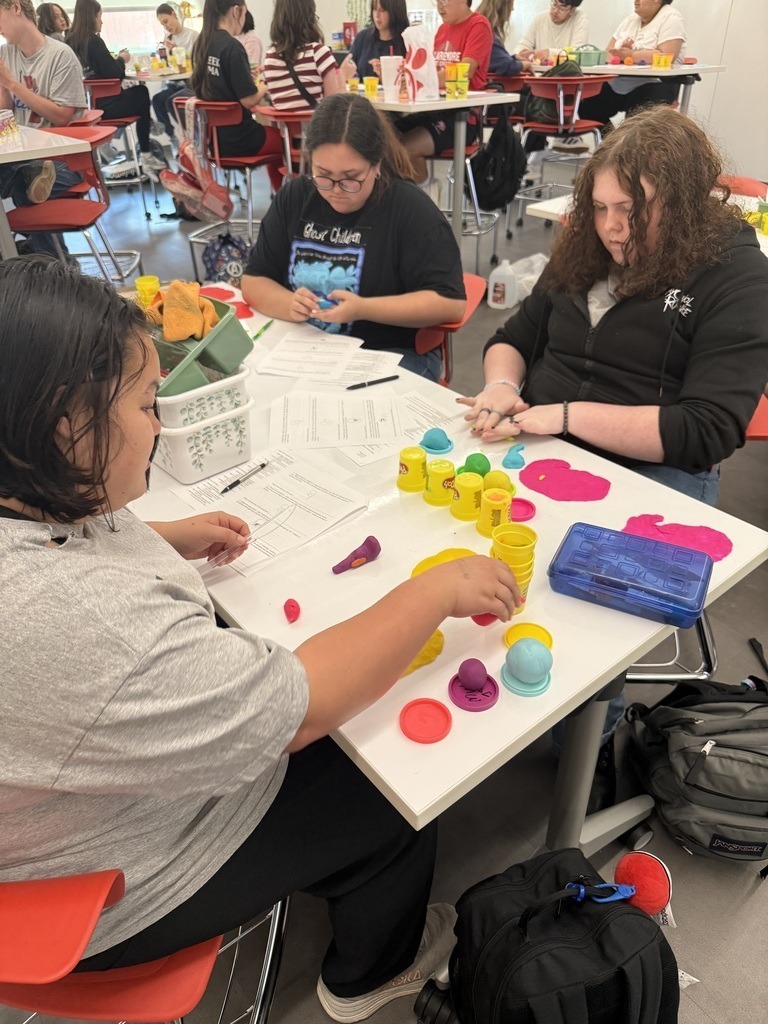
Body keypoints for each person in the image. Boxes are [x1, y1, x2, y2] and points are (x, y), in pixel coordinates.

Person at [0, 256, 520, 1023]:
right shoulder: (82, 625)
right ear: (64, 427)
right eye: (147, 404)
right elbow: (300, 707)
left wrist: (160, 535)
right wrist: (432, 590)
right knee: (390, 786)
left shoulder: (26, 484)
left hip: (56, 803)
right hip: (99, 878)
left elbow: (57, 544)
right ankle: (372, 974)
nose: (161, 424)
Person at [460, 106, 768, 807]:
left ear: (686, 205)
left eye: (632, 210)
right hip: (545, 440)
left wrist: (565, 415)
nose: (612, 228)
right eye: (598, 208)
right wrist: (504, 384)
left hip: (654, 473)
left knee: (574, 647)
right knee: (473, 559)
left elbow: (708, 429)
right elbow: (514, 334)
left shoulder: (735, 272)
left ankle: (586, 752)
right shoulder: (587, 249)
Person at [242, 92, 467, 381]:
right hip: (308, 347)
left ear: (376, 165)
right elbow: (254, 280)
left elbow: (449, 302)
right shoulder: (295, 197)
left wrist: (364, 309)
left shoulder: (408, 209)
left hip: (388, 353)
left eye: (351, 177)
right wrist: (289, 304)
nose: (335, 189)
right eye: (322, 174)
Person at [0, 0, 86, 256]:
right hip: (24, 158)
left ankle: (44, 263)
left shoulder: (60, 55)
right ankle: (45, 264)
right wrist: (4, 88)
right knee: (28, 184)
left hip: (65, 161)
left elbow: (61, 116)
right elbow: (5, 113)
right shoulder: (6, 54)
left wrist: (13, 85)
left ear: (15, 7)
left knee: (28, 188)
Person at [396, 0, 493, 193]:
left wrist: (422, 78)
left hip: (463, 117)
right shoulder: (442, 30)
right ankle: (414, 196)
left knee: (405, 148)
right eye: (437, 1)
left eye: (445, 0)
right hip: (434, 109)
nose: (440, 5)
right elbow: (429, 71)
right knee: (384, 136)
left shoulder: (478, 25)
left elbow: (465, 71)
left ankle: (427, 199)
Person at [190, 0, 283, 193]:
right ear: (236, 11)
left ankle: (281, 199)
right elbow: (249, 100)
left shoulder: (201, 44)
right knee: (287, 141)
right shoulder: (232, 46)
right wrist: (265, 85)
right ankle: (284, 201)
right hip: (241, 140)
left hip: (213, 142)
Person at [66, 0, 166, 176]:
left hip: (89, 106)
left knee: (138, 95)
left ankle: (148, 128)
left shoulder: (70, 41)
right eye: (100, 17)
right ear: (92, 17)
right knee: (142, 92)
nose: (101, 22)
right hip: (108, 107)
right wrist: (121, 59)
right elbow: (114, 74)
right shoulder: (94, 41)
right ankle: (146, 153)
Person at [579, 0, 687, 126]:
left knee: (637, 117)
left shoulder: (672, 18)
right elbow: (608, 53)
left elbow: (668, 55)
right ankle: (612, 143)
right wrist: (619, 52)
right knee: (586, 104)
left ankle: (627, 143)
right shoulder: (630, 21)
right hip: (620, 83)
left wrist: (630, 55)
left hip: (655, 83)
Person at [261, 0, 343, 114]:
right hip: (316, 130)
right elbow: (333, 106)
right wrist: (342, 76)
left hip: (285, 131)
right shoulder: (319, 53)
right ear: (310, 18)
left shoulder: (270, 58)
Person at [151, 2, 198, 143]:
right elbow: (167, 66)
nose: (166, 26)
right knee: (157, 100)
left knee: (172, 101)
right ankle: (173, 138)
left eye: (166, 21)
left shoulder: (193, 36)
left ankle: (191, 135)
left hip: (189, 83)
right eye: (162, 24)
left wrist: (176, 49)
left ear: (173, 14)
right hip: (174, 83)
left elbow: (196, 64)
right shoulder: (167, 39)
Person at [339, 0, 408, 83]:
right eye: (374, 9)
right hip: (363, 94)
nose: (377, 15)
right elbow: (350, 70)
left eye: (382, 10)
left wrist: (386, 75)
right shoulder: (363, 37)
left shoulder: (407, 42)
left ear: (395, 11)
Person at [512, 0, 589, 63]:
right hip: (540, 74)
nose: (555, 11)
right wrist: (521, 52)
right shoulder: (540, 18)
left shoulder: (579, 19)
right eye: (554, 4)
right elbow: (523, 44)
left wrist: (549, 53)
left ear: (572, 10)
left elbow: (577, 53)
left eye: (562, 8)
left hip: (566, 75)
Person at [476, 0, 531, 76]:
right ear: (502, 8)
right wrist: (524, 65)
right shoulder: (485, 30)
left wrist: (513, 58)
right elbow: (506, 67)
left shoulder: (482, 27)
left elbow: (495, 60)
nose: (512, 9)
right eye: (511, 5)